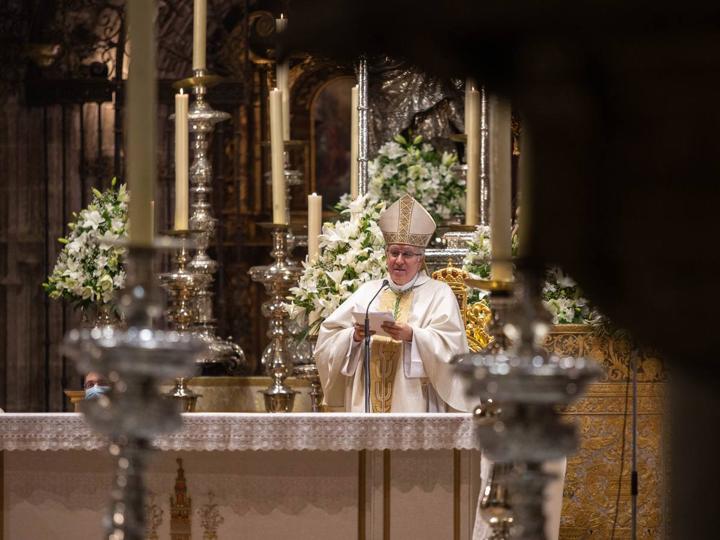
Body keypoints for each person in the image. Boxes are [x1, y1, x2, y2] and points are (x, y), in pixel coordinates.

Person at [314, 194, 470, 412]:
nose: (399, 260)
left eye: (407, 254)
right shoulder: (369, 291)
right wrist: (354, 337)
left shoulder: (439, 294)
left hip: (416, 401)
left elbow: (453, 351)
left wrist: (413, 336)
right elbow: (327, 341)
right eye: (394, 252)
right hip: (366, 400)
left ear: (420, 258)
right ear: (386, 255)